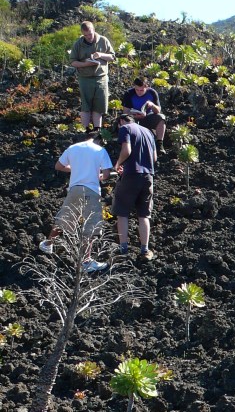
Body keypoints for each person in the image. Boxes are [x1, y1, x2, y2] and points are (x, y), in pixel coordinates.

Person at [39, 129, 114, 273]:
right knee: (90, 224)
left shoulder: (72, 148)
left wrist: (76, 169)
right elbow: (106, 174)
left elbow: (58, 166)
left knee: (64, 218)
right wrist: (97, 175)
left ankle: (48, 243)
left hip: (74, 189)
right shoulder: (100, 150)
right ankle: (86, 261)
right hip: (91, 190)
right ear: (98, 139)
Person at [113, 114, 158, 259]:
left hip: (131, 175)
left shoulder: (125, 128)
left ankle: (123, 250)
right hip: (148, 176)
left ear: (121, 121)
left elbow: (127, 150)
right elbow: (155, 157)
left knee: (122, 212)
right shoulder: (148, 132)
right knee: (144, 214)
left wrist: (118, 164)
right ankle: (145, 250)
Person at [68, 21, 115, 130]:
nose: (88, 37)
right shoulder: (78, 44)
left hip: (101, 77)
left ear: (94, 30)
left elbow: (112, 57)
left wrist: (101, 55)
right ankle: (85, 130)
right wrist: (86, 64)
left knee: (99, 106)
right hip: (85, 78)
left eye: (90, 34)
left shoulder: (103, 40)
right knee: (86, 105)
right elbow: (73, 62)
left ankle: (97, 130)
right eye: (86, 35)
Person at [121, 77, 166, 147]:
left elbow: (158, 110)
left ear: (147, 87)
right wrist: (134, 115)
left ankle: (160, 144)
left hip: (148, 117)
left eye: (141, 90)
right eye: (137, 90)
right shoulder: (129, 93)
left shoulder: (152, 93)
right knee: (123, 120)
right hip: (133, 119)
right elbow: (125, 112)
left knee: (161, 118)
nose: (139, 92)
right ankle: (129, 143)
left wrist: (152, 105)